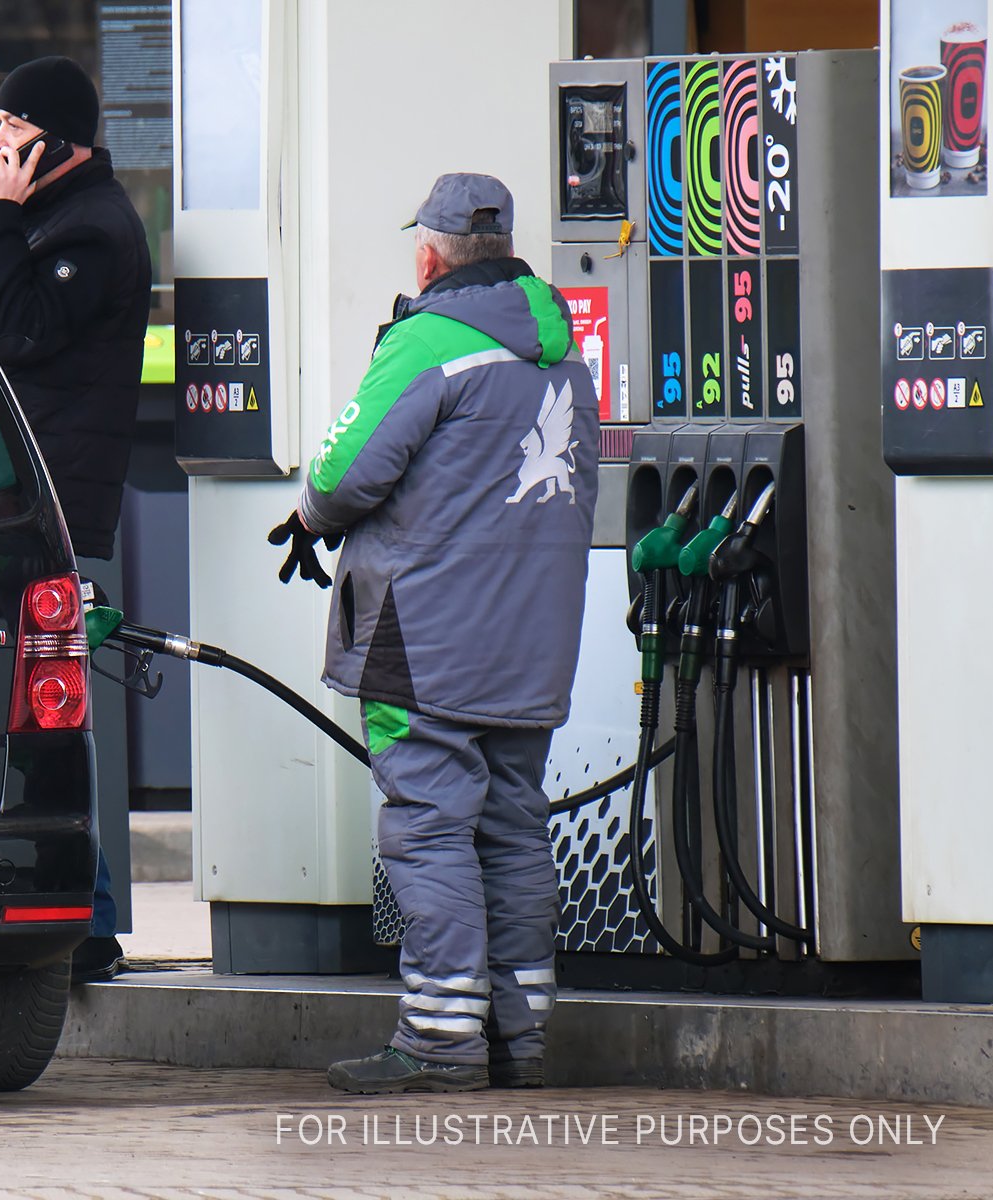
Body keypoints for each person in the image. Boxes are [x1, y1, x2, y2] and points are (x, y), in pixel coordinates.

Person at [269, 173, 598, 1092]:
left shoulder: (425, 342)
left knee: (429, 825)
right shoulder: (563, 353)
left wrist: (306, 517)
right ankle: (519, 1037)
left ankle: (443, 1035)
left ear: (429, 253)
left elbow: (342, 473)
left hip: (428, 641)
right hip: (534, 640)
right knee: (514, 826)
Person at [0, 55, 153, 983]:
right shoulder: (54, 219)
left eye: (11, 127)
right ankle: (84, 922)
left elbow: (16, 332)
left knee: (48, 711)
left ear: (55, 141)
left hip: (60, 512)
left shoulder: (98, 231)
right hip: (23, 503)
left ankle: (94, 927)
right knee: (27, 706)